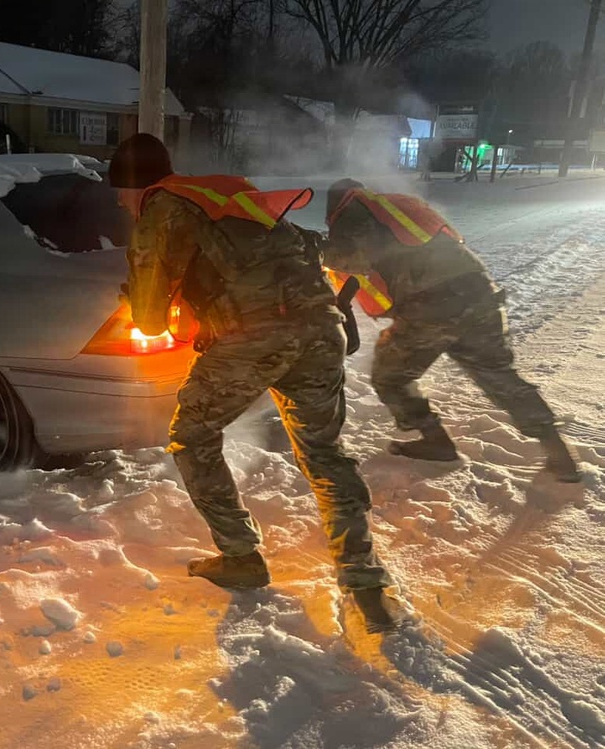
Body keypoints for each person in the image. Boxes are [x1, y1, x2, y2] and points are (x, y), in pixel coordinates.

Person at [108, 133, 398, 633]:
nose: (121, 206)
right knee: (324, 454)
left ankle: (241, 556)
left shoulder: (161, 210)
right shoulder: (226, 196)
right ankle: (364, 580)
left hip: (256, 336)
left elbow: (151, 320)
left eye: (120, 197)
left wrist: (143, 295)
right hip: (321, 326)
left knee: (192, 436)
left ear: (134, 188)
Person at [322, 179, 580, 482]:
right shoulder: (392, 207)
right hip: (480, 295)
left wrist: (314, 249)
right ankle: (559, 453)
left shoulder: (353, 213)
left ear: (333, 207)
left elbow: (354, 259)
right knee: (499, 374)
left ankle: (436, 441)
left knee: (389, 376)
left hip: (431, 307)